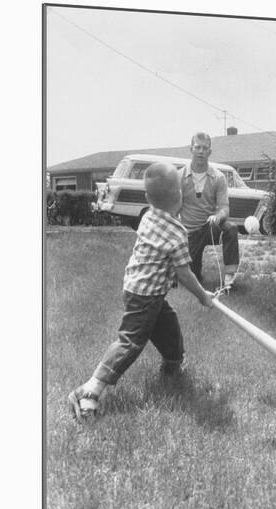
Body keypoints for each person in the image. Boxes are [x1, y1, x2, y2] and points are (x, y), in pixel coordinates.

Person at [69, 162, 214, 421]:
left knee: (168, 323)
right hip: (146, 296)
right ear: (181, 196)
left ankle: (172, 364)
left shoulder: (148, 215)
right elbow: (185, 274)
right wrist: (203, 295)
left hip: (139, 288)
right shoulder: (178, 233)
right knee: (131, 342)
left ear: (148, 198)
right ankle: (89, 390)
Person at [178, 132, 240, 289]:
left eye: (205, 148)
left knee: (231, 228)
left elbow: (225, 208)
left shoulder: (218, 177)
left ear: (210, 152)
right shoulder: (179, 176)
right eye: (197, 147)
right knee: (193, 279)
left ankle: (229, 280)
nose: (201, 151)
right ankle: (193, 272)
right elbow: (174, 208)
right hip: (189, 232)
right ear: (191, 149)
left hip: (209, 228)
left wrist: (218, 216)